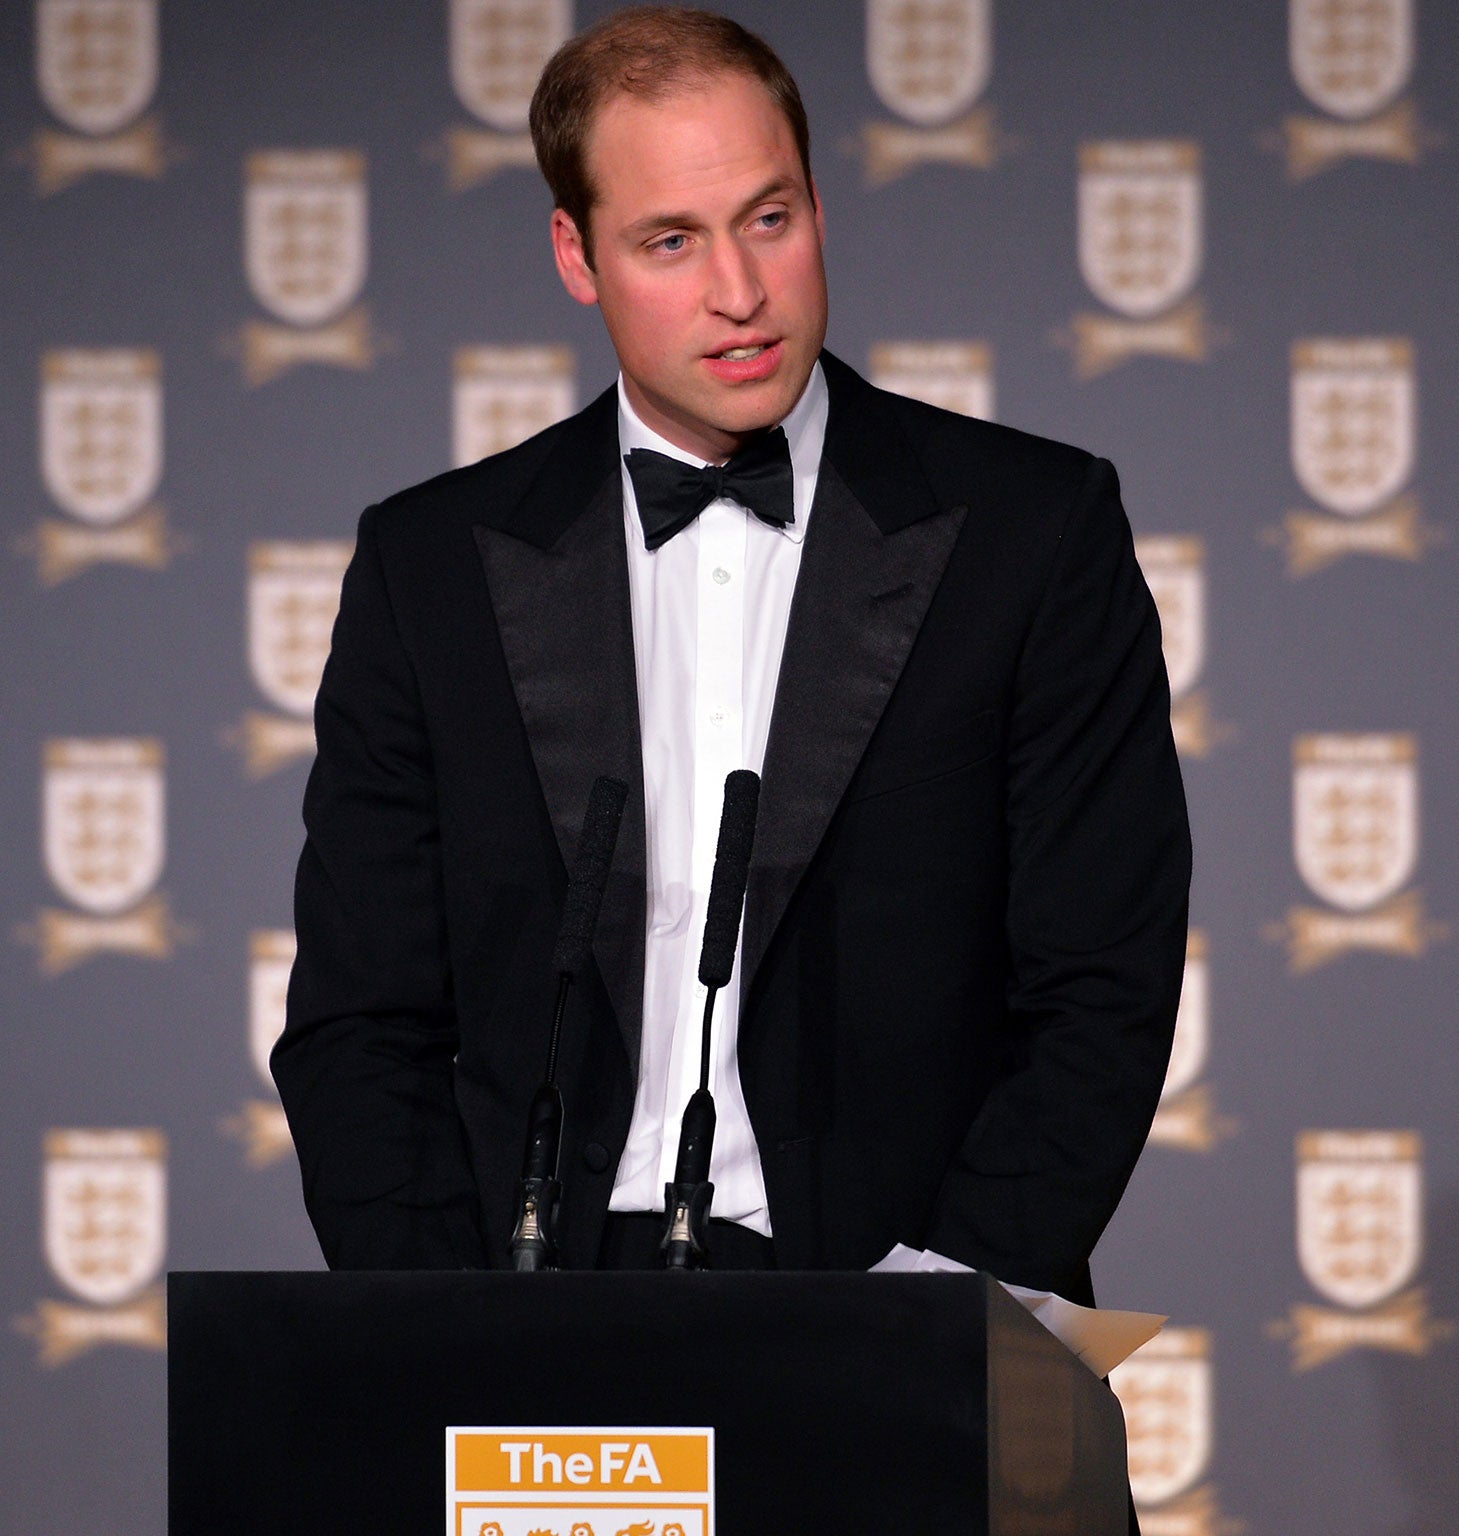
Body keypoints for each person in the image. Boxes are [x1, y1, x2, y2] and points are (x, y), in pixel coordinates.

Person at [273, 6, 1190, 1302]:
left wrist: (942, 1306)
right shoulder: (433, 568)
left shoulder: (1031, 533)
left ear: (820, 204)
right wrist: (451, 1328)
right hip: (538, 1307)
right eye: (670, 240)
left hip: (912, 1293)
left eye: (771, 219)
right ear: (576, 256)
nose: (740, 291)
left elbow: (1104, 984)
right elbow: (363, 1024)